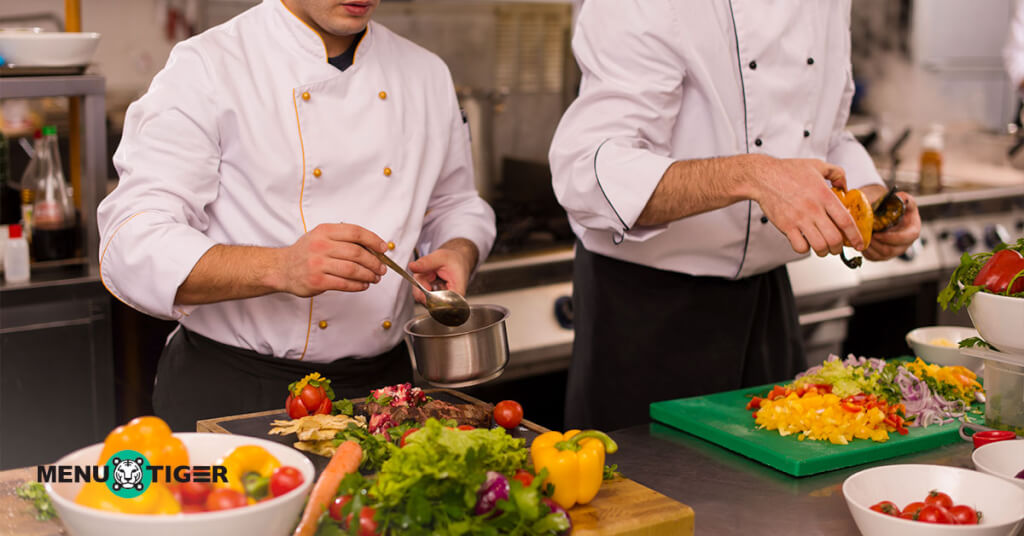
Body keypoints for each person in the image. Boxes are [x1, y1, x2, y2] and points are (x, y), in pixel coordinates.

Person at [97, 0, 495, 431]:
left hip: (386, 391)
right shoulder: (207, 66)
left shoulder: (426, 73)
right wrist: (280, 267)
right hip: (237, 392)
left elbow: (456, 204)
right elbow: (131, 241)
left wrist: (457, 248)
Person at [549, 0, 922, 430]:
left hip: (768, 304)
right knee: (646, 494)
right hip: (647, 313)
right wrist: (753, 175)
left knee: (774, 491)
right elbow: (588, 173)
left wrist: (868, 197)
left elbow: (826, 137)